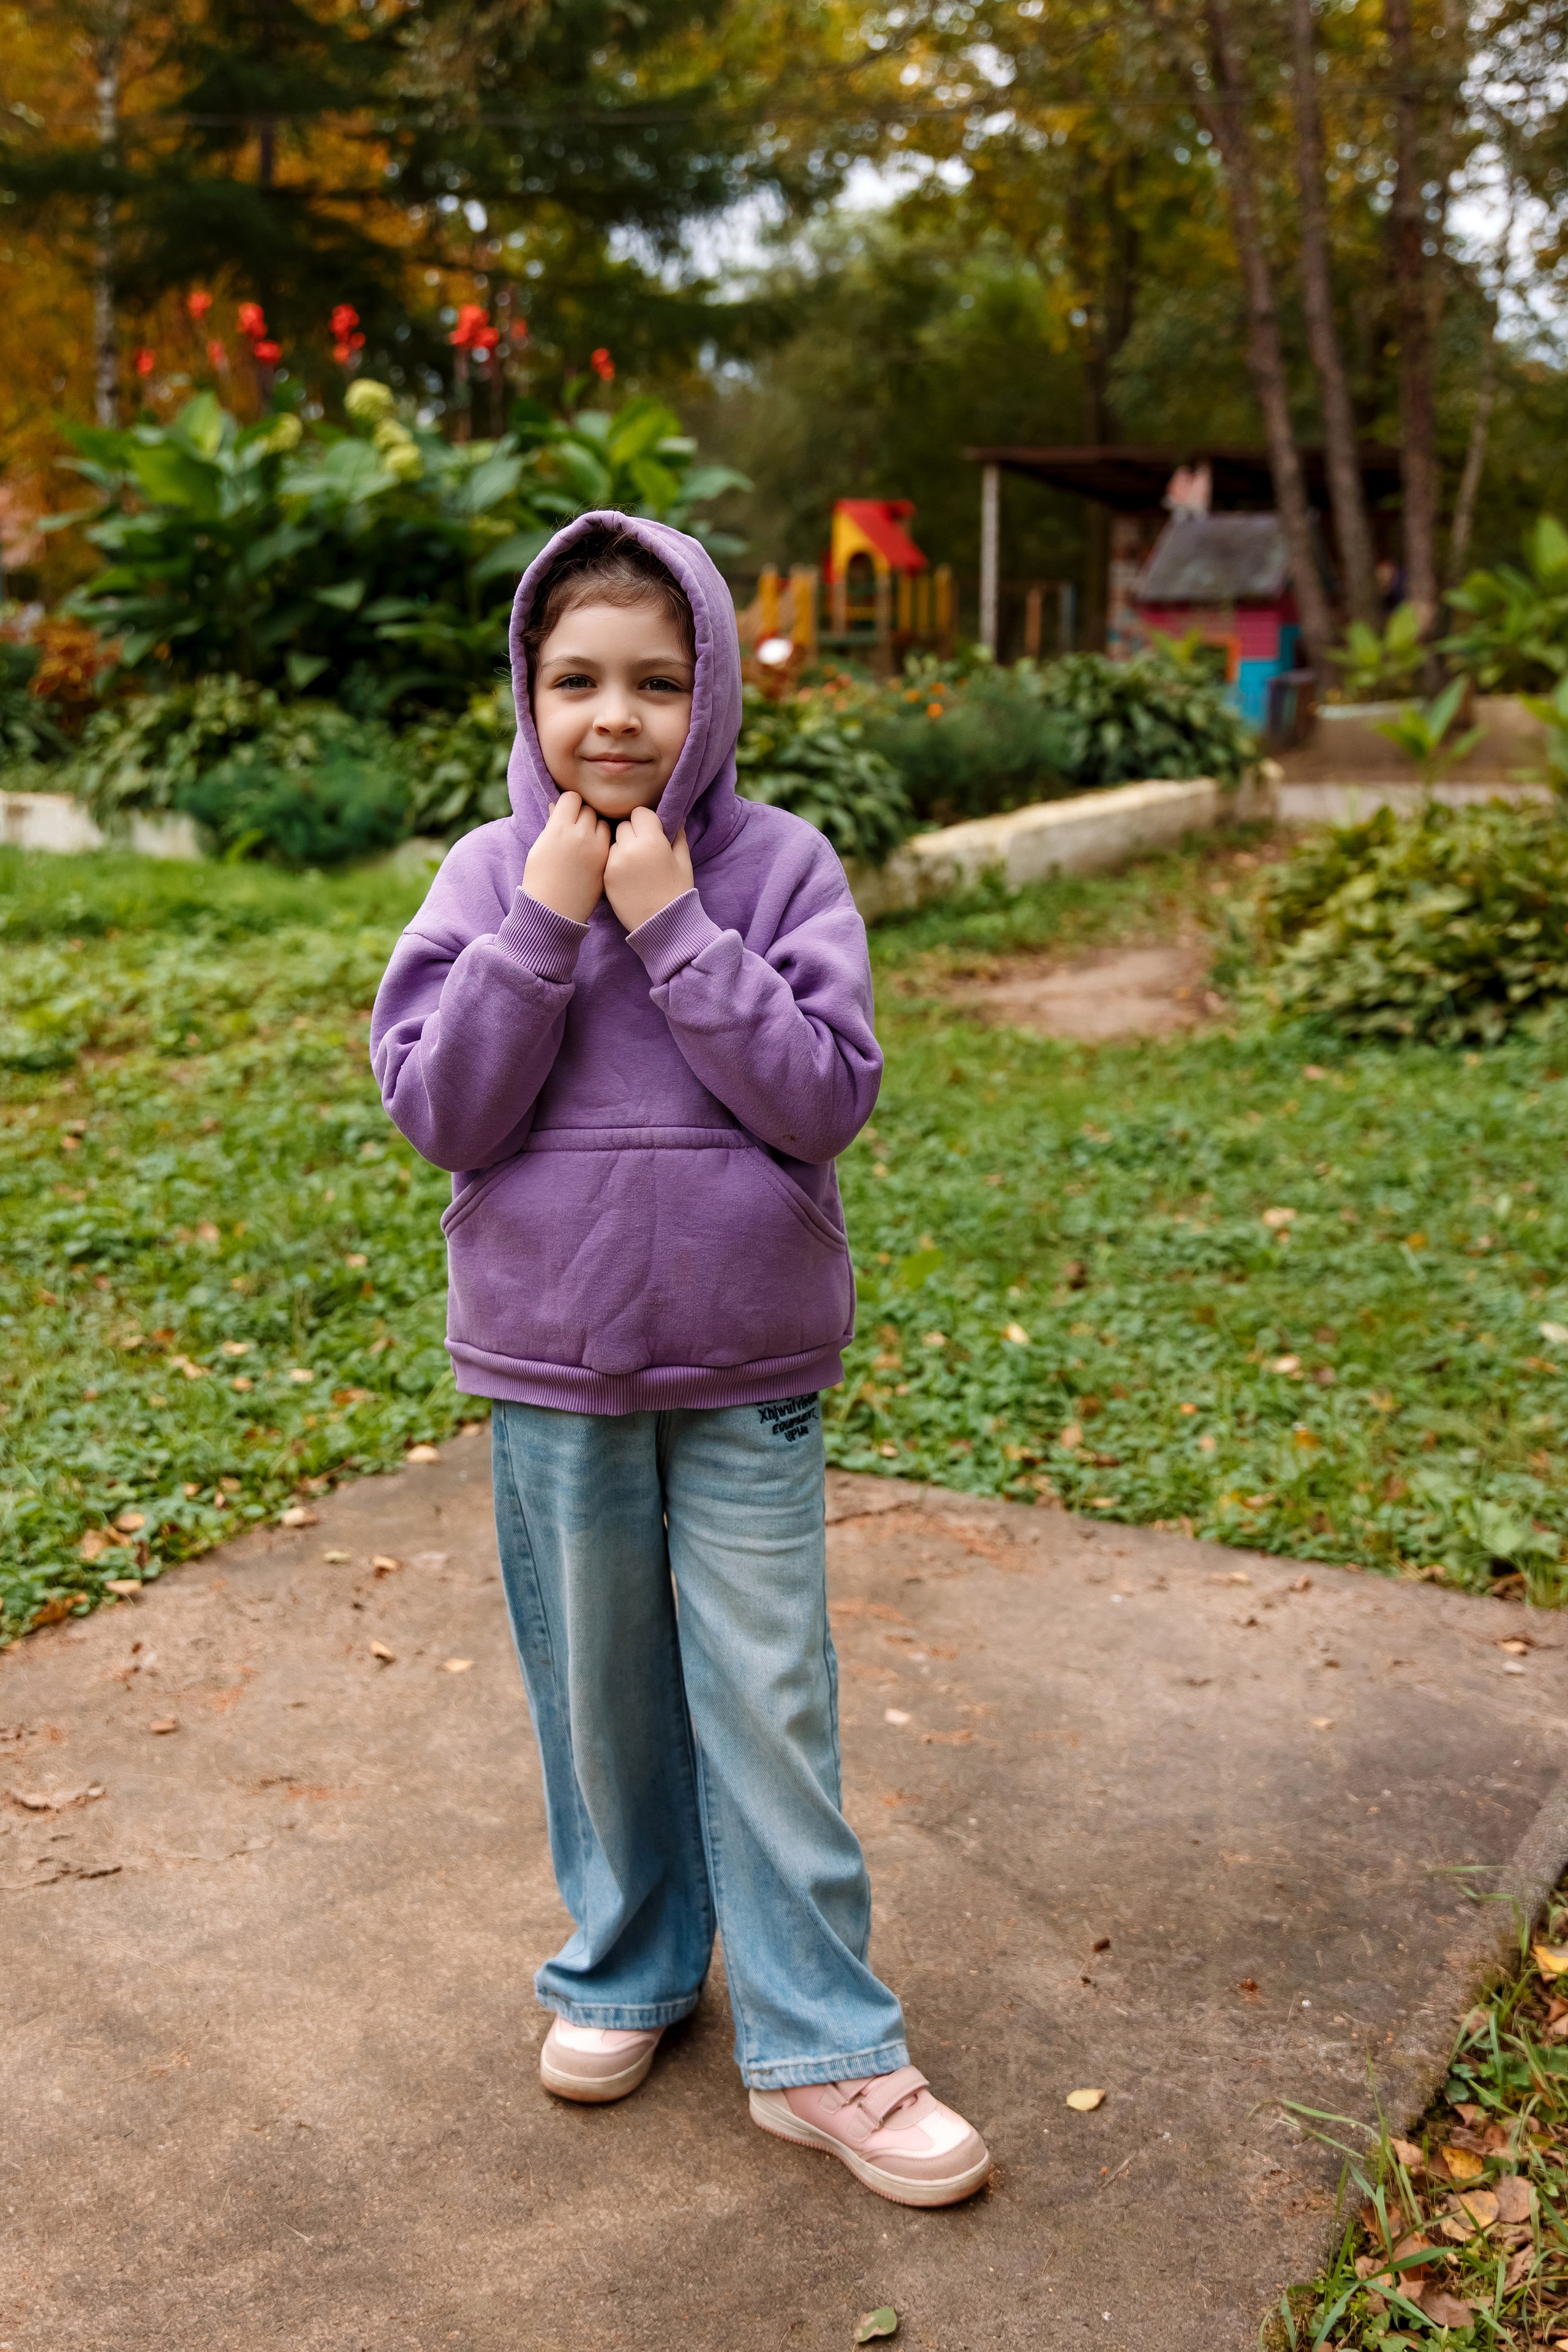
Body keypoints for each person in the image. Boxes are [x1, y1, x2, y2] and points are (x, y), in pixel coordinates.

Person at [370, 511, 990, 2209]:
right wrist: (551, 921)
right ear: (529, 692)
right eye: (577, 680)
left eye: (659, 679)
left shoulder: (780, 865)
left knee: (768, 1697)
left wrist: (674, 929)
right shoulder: (489, 876)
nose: (617, 717)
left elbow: (824, 1093)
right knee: (602, 1694)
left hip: (746, 1360)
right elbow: (440, 1109)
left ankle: (824, 2047)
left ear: (713, 693)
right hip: (552, 1357)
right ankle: (630, 1967)